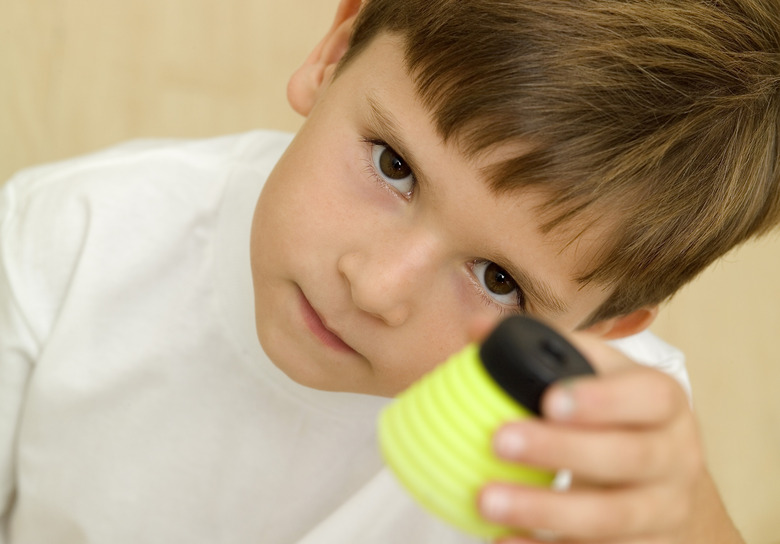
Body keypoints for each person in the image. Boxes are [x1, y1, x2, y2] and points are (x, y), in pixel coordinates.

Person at [1, 0, 777, 542]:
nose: (375, 287)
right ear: (334, 51)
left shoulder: (599, 434)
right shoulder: (75, 238)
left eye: (499, 281)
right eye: (393, 165)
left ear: (602, 330)